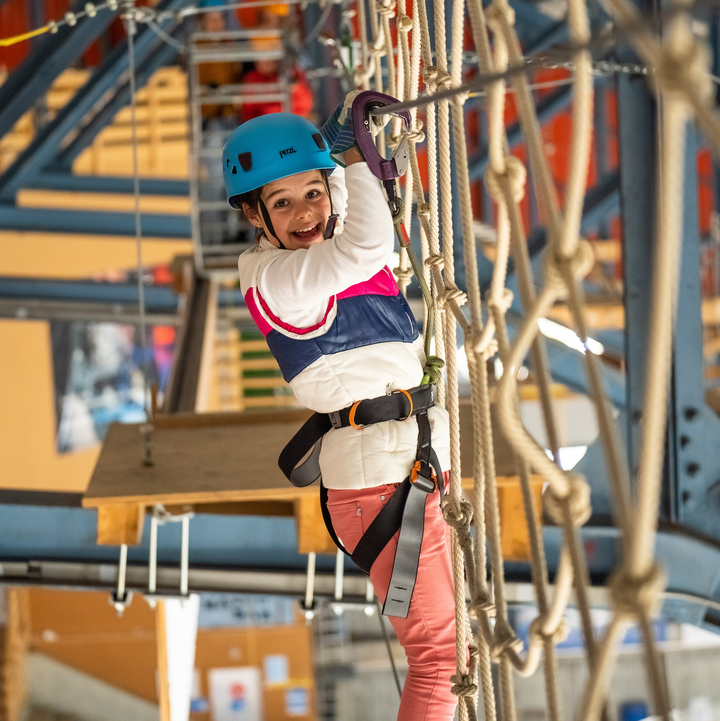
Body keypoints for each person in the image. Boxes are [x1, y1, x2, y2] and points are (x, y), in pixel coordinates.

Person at [223, 111, 459, 721]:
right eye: (282, 203)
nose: (305, 213)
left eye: (312, 193)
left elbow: (349, 217)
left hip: (401, 472)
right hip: (385, 487)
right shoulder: (281, 279)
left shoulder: (317, 254)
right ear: (255, 216)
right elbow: (369, 243)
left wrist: (339, 160)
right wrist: (348, 157)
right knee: (440, 659)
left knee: (443, 653)